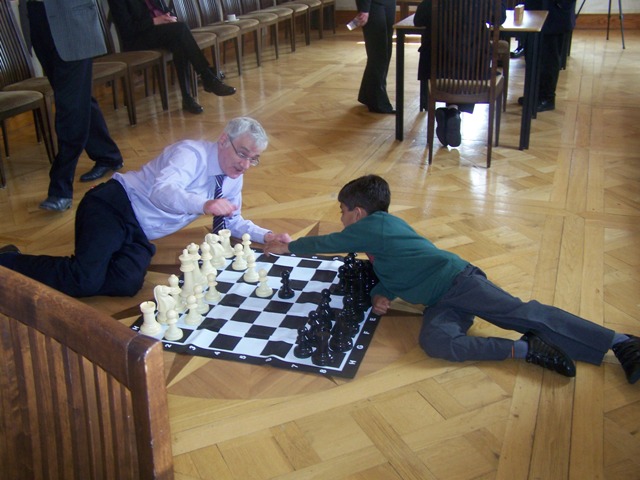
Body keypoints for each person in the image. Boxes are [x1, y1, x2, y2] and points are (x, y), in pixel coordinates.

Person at [264, 175, 640, 385]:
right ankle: (529, 351)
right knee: (436, 342)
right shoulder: (377, 234)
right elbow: (395, 268)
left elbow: (329, 243)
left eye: (343, 211)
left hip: (460, 281)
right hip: (441, 301)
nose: (341, 217)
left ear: (358, 212)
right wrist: (382, 293)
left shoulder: (373, 226)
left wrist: (290, 246)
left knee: (523, 314)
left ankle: (621, 342)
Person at [0, 117, 291, 298]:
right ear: (223, 140)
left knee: (126, 284)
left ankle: (98, 259)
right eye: (242, 153)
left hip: (139, 231)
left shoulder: (231, 177)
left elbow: (232, 219)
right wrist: (203, 204)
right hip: (112, 205)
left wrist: (266, 236)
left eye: (253, 159)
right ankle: (8, 262)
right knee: (83, 279)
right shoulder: (190, 154)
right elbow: (162, 192)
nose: (245, 165)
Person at [18, 0, 125, 212]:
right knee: (77, 98)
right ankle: (108, 155)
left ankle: (60, 188)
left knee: (69, 106)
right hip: (38, 19)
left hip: (72, 24)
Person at [108, 0, 236, 115]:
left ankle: (188, 97)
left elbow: (163, 8)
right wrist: (155, 21)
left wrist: (169, 17)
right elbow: (127, 30)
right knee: (180, 30)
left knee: (179, 41)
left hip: (160, 31)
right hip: (137, 39)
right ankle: (207, 77)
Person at [414, 0, 507, 147]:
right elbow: (499, 18)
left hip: (438, 70)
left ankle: (452, 110)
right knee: (465, 67)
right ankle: (453, 111)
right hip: (473, 70)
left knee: (452, 66)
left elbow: (418, 20)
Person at [518, 0, 576, 112]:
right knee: (532, 53)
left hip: (555, 11)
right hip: (536, 9)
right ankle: (534, 94)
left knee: (549, 57)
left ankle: (547, 98)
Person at [353, 0, 396, 114]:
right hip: (373, 5)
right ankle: (377, 102)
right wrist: (364, 9)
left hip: (389, 3)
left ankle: (367, 95)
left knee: (386, 51)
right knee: (378, 52)